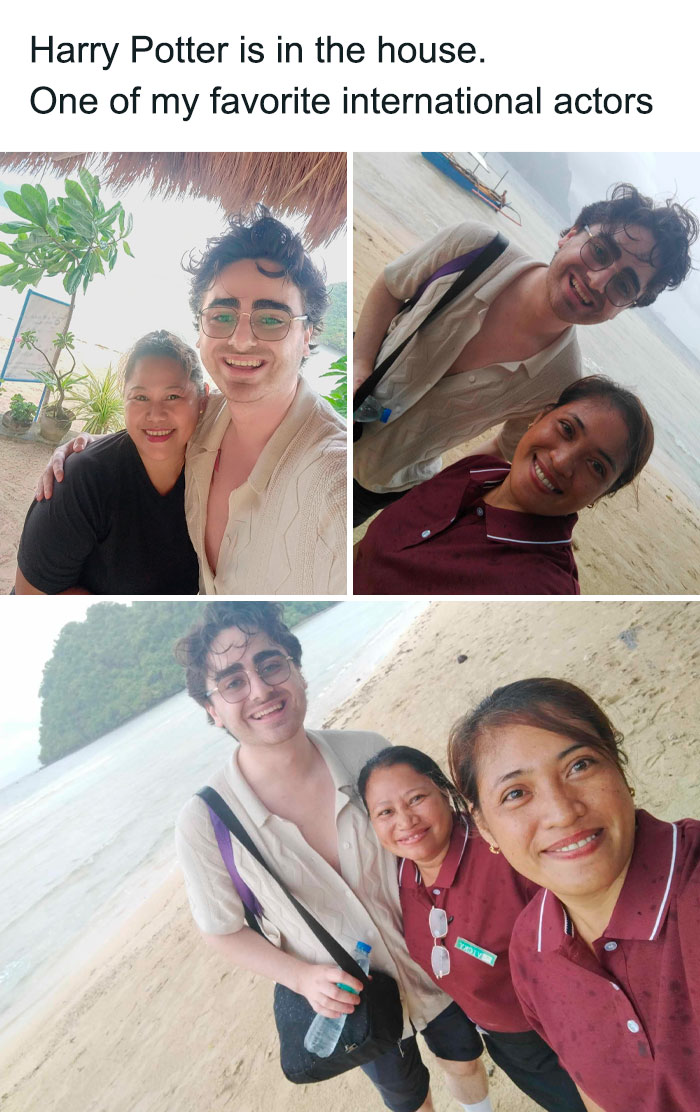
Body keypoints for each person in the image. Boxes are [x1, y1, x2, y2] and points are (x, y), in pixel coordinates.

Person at [175, 601, 494, 1112]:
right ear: (212, 710)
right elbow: (222, 929)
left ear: (296, 670)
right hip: (351, 998)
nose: (259, 690)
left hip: (436, 956)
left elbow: (435, 841)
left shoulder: (368, 752)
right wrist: (300, 978)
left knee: (465, 1059)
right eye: (232, 682)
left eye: (270, 664)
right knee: (407, 1096)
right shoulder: (205, 821)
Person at [35, 208, 347, 594]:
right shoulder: (208, 418)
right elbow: (156, 420)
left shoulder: (334, 479)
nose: (242, 339)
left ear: (307, 336)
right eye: (221, 315)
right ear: (200, 331)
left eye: (271, 319)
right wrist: (84, 450)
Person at [353, 182, 696, 526]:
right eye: (600, 251)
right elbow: (391, 287)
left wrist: (439, 488)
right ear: (571, 234)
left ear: (626, 307)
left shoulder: (561, 382)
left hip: (382, 485)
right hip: (340, 398)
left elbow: (507, 447)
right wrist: (360, 364)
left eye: (623, 285)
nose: (597, 281)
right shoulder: (476, 246)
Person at [447, 678, 700, 1112]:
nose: (563, 813)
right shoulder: (530, 948)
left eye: (580, 766)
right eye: (516, 793)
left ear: (619, 768)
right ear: (485, 827)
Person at [358, 746, 586, 1112]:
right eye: (385, 812)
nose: (405, 820)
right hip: (505, 1040)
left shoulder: (501, 850)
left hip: (568, 1028)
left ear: (445, 792)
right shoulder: (397, 877)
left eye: (416, 798)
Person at [353, 375, 653, 595]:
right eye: (567, 429)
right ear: (538, 418)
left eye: (596, 466)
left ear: (601, 495)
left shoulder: (544, 588)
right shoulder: (476, 470)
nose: (562, 462)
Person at [15, 330, 203, 595]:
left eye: (173, 396)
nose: (156, 415)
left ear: (203, 398)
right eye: (140, 397)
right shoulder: (81, 480)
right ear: (124, 399)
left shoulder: (213, 476)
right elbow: (29, 597)